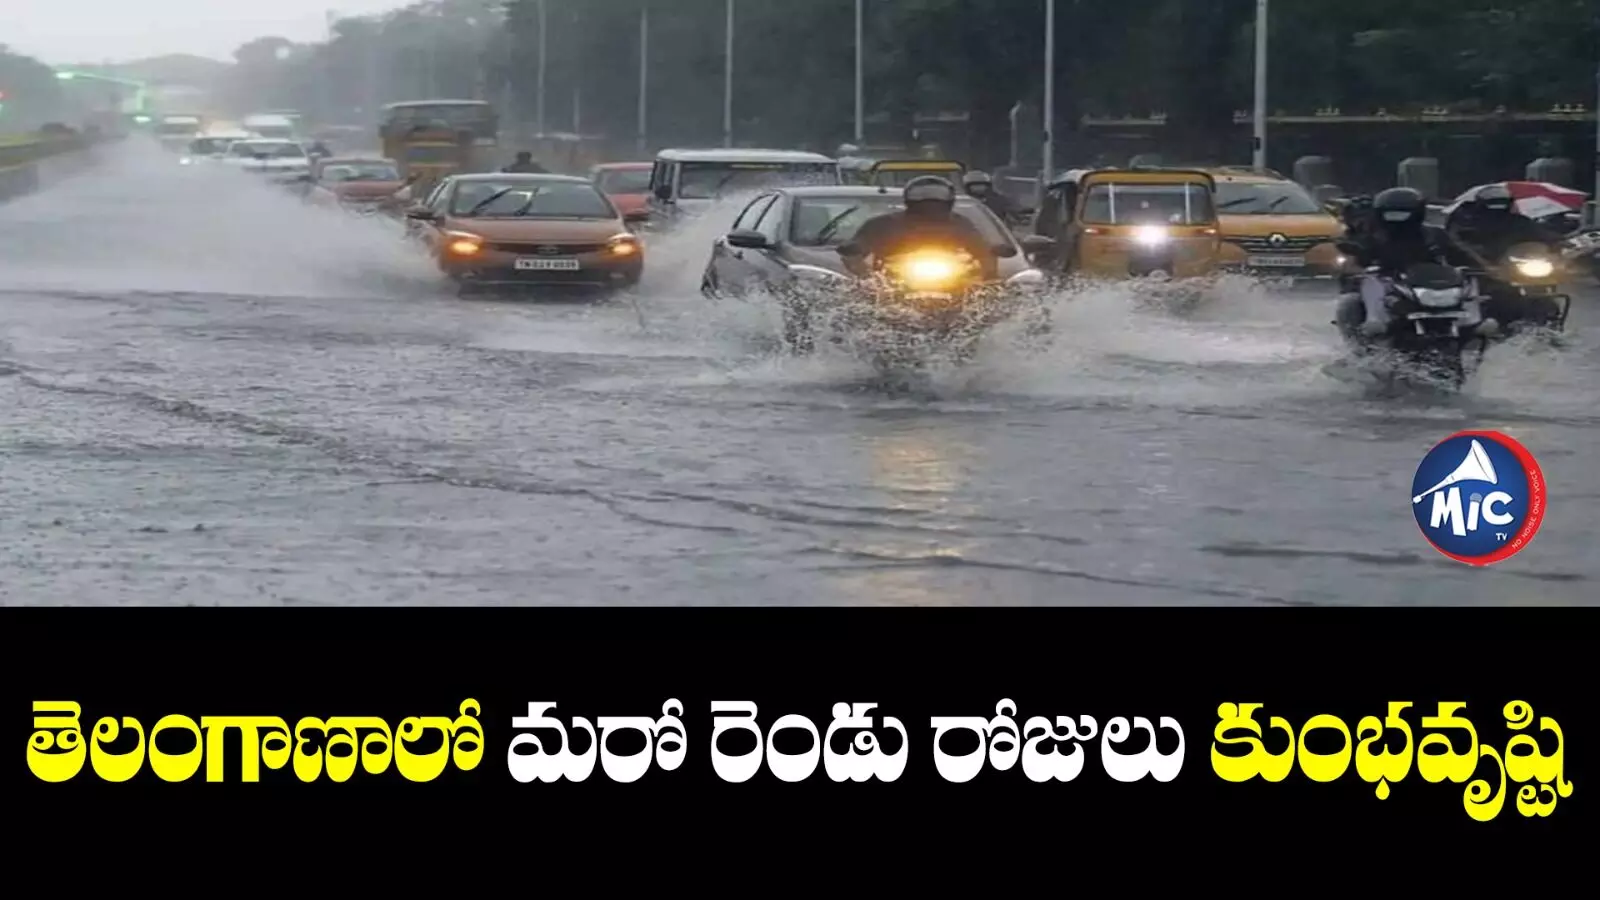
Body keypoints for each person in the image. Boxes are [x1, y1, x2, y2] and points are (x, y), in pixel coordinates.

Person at [1336, 186, 1482, 339]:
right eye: (1391, 214)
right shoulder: (1373, 237)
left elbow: (1462, 254)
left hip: (1431, 285)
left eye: (1402, 213)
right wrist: (1357, 270)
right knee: (1359, 293)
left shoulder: (1434, 234)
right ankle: (1373, 323)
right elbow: (1354, 261)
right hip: (1392, 285)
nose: (1397, 219)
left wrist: (1484, 268)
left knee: (1468, 279)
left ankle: (1473, 321)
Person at [838, 176, 999, 280]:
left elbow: (982, 249)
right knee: (858, 306)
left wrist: (986, 272)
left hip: (953, 279)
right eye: (921, 198)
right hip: (892, 281)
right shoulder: (882, 224)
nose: (930, 203)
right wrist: (867, 277)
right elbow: (858, 247)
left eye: (937, 198)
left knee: (986, 304)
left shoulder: (961, 224)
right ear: (909, 199)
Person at [1445, 183, 1566, 263]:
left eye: (1501, 202)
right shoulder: (1468, 222)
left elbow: (1539, 233)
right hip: (1484, 265)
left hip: (1517, 263)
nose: (1497, 206)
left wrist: (1559, 240)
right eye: (1493, 202)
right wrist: (1473, 252)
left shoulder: (1518, 221)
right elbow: (1456, 241)